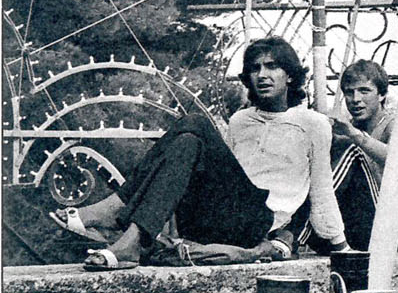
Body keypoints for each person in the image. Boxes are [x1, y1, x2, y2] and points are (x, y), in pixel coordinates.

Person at [61, 37, 349, 269]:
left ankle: (121, 217)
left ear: (290, 75)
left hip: (257, 221)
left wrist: (341, 247)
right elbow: (222, 178)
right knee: (188, 140)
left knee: (195, 124)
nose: (262, 75)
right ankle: (128, 234)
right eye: (255, 68)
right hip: (213, 219)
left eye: (272, 66)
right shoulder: (240, 121)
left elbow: (322, 192)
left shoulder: (313, 124)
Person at [312, 59, 394, 252]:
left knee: (350, 149)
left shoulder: (393, 123)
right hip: (349, 220)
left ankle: (297, 231)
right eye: (349, 92)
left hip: (382, 219)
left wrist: (355, 136)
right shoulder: (347, 127)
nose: (355, 99)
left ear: (381, 95)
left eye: (364, 91)